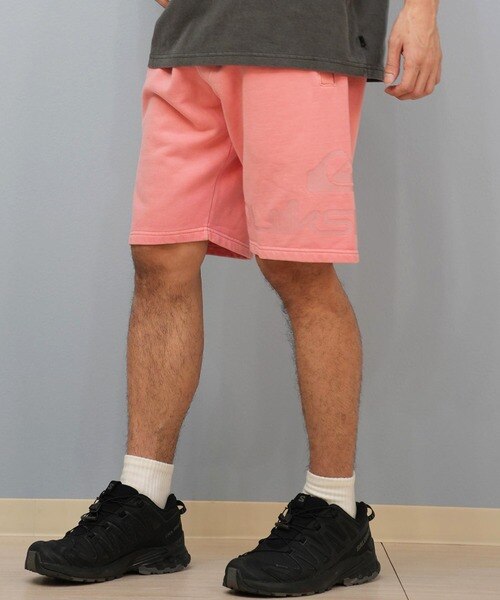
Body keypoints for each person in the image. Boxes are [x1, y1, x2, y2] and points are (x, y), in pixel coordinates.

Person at [25, 0, 442, 595]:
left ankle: (335, 509)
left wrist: (422, 11)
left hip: (301, 37)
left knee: (298, 266)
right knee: (160, 258)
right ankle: (144, 500)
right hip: (192, 39)